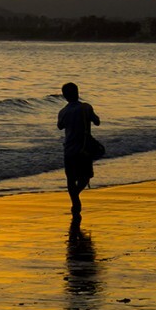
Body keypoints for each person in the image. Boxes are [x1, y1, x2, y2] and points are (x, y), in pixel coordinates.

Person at [58, 82, 101, 215]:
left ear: (64, 96)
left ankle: (75, 201)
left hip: (69, 149)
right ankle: (76, 198)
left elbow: (60, 126)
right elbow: (97, 122)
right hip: (84, 149)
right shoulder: (86, 107)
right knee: (85, 177)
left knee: (71, 178)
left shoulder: (63, 111)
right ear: (77, 93)